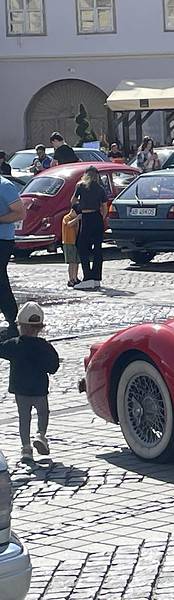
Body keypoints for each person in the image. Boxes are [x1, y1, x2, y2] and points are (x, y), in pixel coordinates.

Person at [0, 302, 59, 463]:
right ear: (40, 328)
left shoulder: (14, 344)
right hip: (39, 389)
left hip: (20, 390)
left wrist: (6, 334)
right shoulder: (45, 346)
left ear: (19, 326)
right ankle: (40, 435)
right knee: (43, 413)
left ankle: (26, 448)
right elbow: (54, 366)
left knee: (24, 418)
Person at [71, 166, 107, 290]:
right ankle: (96, 278)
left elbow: (73, 201)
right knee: (98, 249)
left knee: (82, 247)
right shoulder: (100, 188)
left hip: (86, 217)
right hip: (97, 217)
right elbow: (104, 207)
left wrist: (79, 206)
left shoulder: (80, 186)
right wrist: (101, 217)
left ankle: (88, 277)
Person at [0, 177, 25, 338]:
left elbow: (20, 212)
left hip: (2, 240)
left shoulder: (4, 186)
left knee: (0, 279)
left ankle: (12, 318)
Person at [62, 206, 81, 287]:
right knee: (71, 262)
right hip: (68, 242)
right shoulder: (66, 218)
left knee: (76, 261)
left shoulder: (76, 219)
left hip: (75, 242)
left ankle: (75, 277)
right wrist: (77, 219)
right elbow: (69, 224)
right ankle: (71, 279)